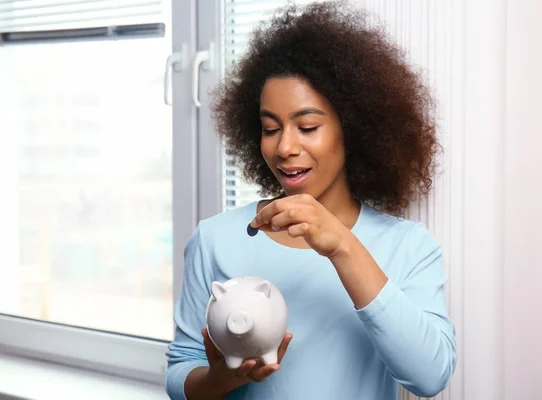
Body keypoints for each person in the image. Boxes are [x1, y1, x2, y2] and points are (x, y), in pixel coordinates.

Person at [165, 1, 457, 399]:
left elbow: (431, 376)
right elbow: (180, 372)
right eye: (270, 128)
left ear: (352, 128)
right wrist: (225, 378)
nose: (285, 146)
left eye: (307, 126)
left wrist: (341, 245)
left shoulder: (408, 246)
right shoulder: (215, 239)